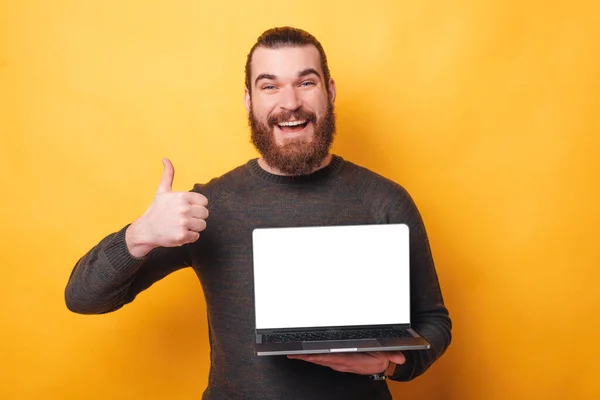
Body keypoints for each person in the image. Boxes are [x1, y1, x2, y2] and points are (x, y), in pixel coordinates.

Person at [65, 26, 452, 400]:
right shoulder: (208, 207)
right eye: (270, 86)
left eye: (306, 82)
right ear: (250, 101)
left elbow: (434, 322)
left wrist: (386, 364)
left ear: (329, 92)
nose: (290, 102)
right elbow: (83, 298)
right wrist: (140, 234)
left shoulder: (385, 200)